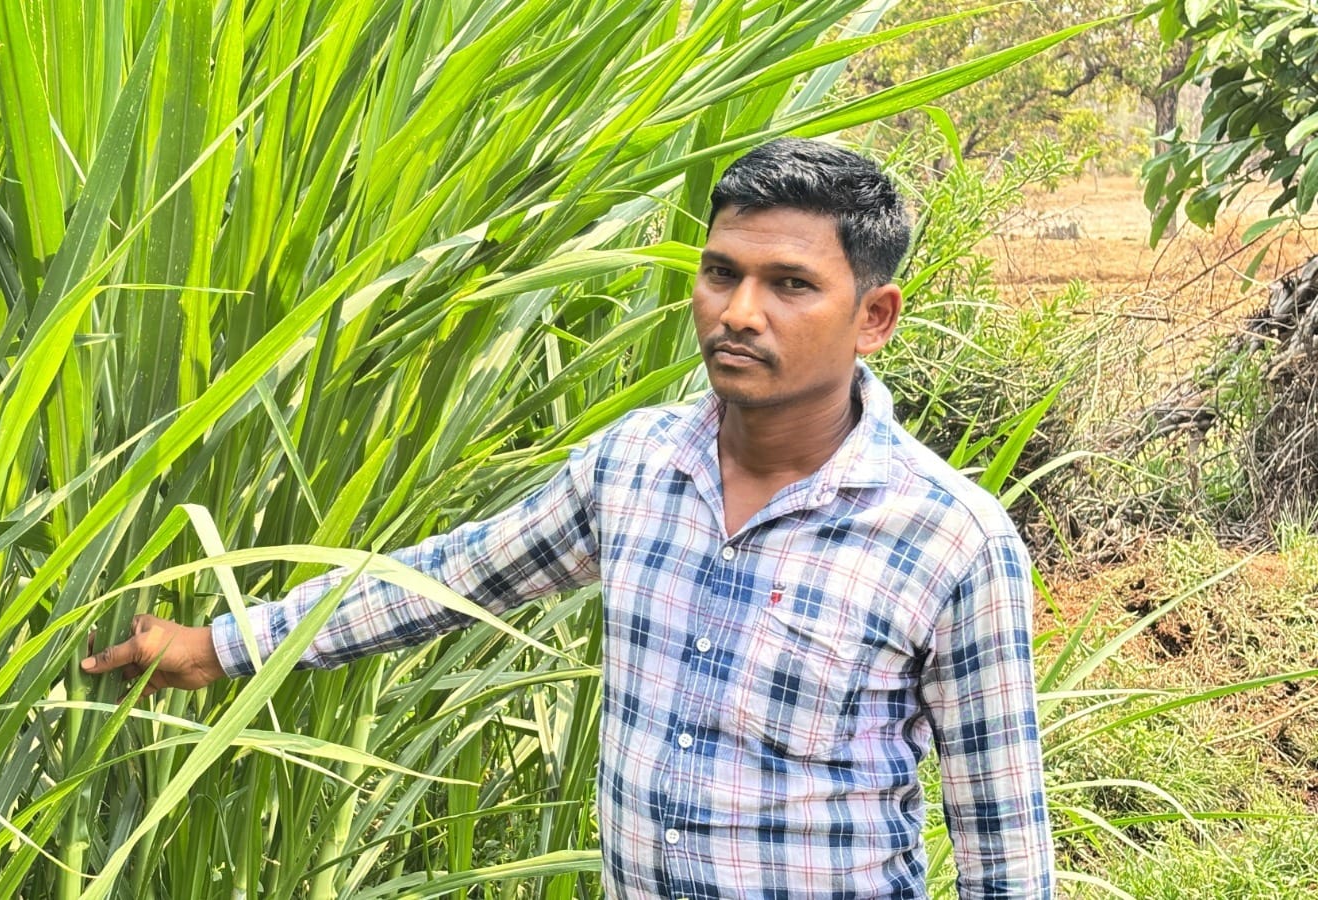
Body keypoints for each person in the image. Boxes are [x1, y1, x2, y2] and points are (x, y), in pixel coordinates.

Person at [82, 137, 1055, 898]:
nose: (739, 312)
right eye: (721, 273)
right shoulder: (632, 467)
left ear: (873, 316)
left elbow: (1002, 842)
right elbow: (448, 581)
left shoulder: (948, 541)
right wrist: (225, 646)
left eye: (790, 284)